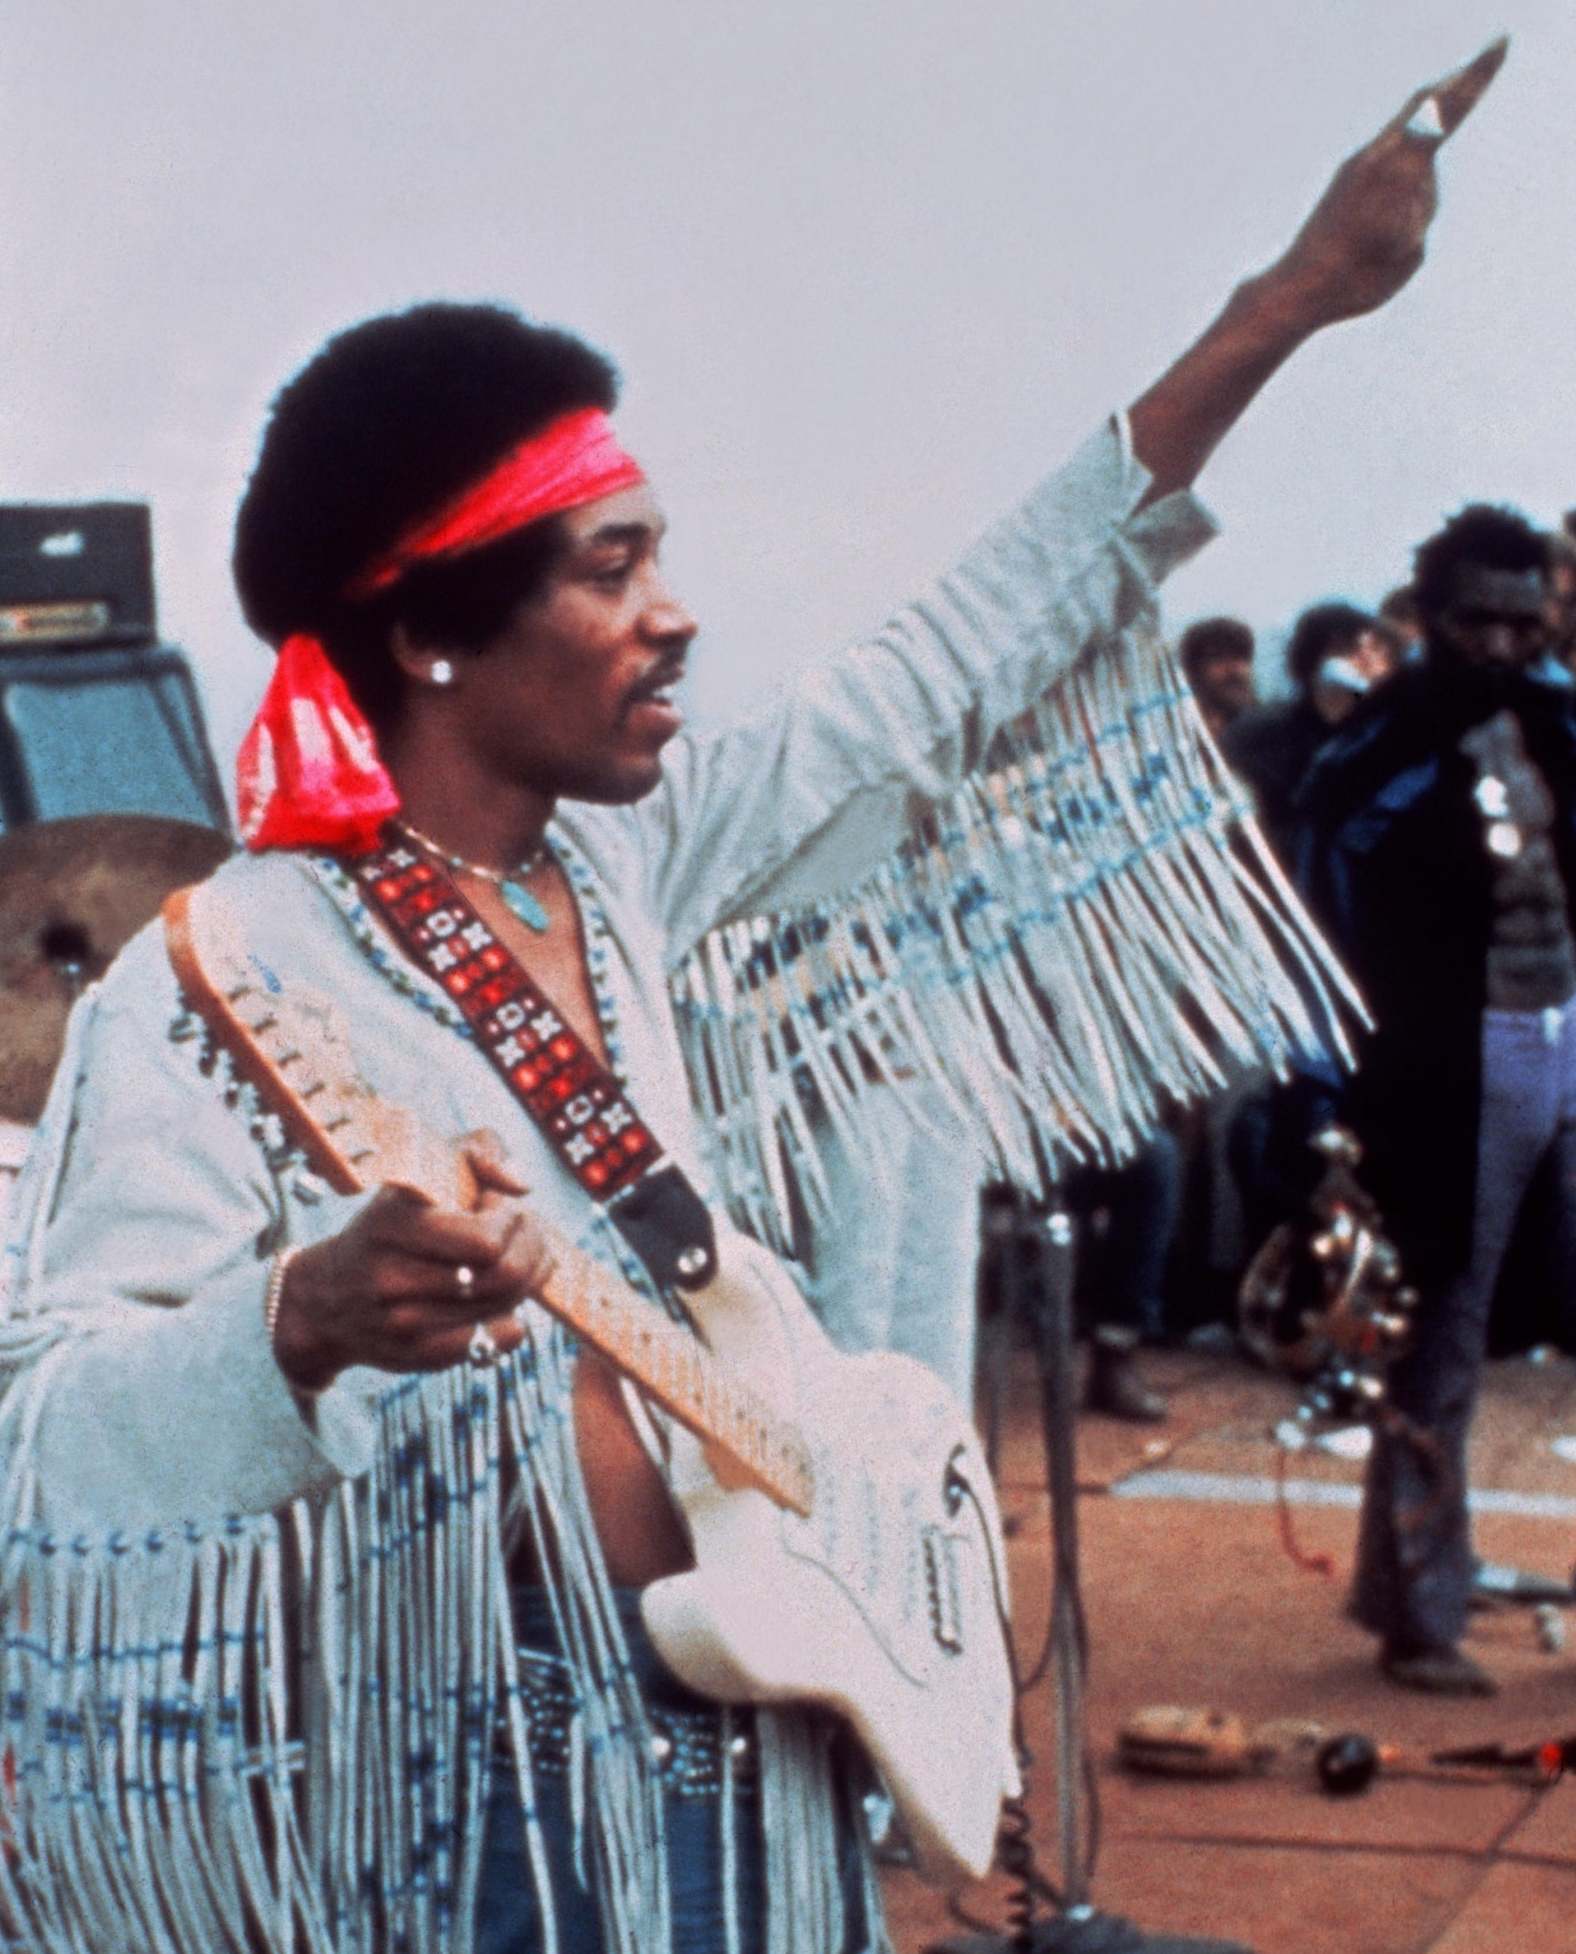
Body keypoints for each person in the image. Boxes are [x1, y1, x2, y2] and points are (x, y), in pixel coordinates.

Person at [0, 44, 1505, 1953]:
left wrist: (1283, 305)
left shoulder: (621, 864)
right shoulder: (225, 975)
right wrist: (289, 1323)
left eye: (665, 556)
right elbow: (36, 1430)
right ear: (435, 633)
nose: (675, 610)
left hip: (759, 1746)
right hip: (479, 1817)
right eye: (614, 564)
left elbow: (944, 665)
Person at [1290, 497, 1576, 1697]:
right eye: (1476, 623)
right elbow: (1315, 920)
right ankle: (1417, 1610)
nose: (1501, 646)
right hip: (1446, 1067)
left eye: (1523, 622)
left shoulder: (1561, 717)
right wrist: (1330, 1102)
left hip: (1559, 1032)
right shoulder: (1379, 747)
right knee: (1440, 1340)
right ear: (1433, 618)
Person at [1223, 598, 1392, 856]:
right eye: (1347, 650)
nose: (1366, 661)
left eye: (1375, 651)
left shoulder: (1389, 734)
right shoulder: (1261, 733)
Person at [1178, 615, 1258, 741]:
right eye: (1218, 658)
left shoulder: (1272, 737)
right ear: (1195, 671)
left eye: (1240, 656)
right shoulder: (1183, 739)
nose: (1234, 669)